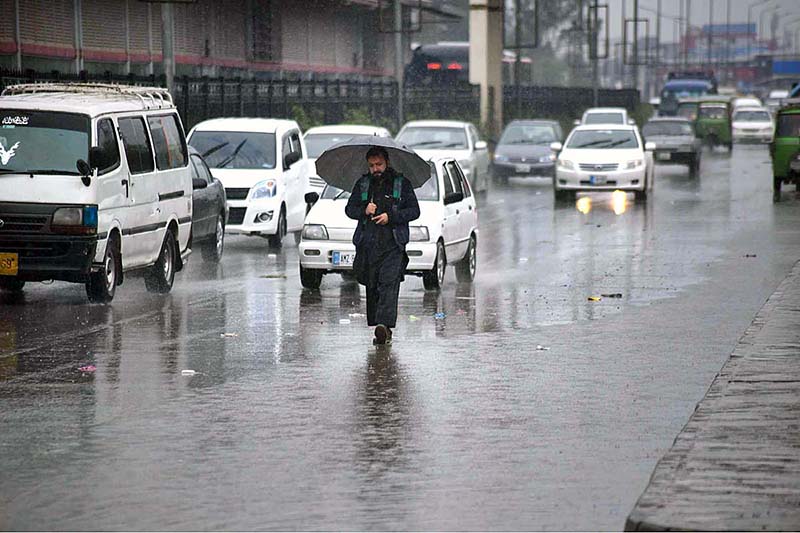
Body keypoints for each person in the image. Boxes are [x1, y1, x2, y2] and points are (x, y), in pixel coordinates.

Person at [345, 146, 420, 345]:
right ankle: (379, 325)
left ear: (386, 162)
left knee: (389, 283)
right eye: (371, 165)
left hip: (393, 244)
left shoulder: (402, 184)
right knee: (372, 285)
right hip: (368, 245)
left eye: (379, 164)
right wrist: (364, 209)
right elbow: (349, 210)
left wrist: (391, 217)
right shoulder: (362, 184)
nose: (375, 169)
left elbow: (414, 211)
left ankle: (384, 326)